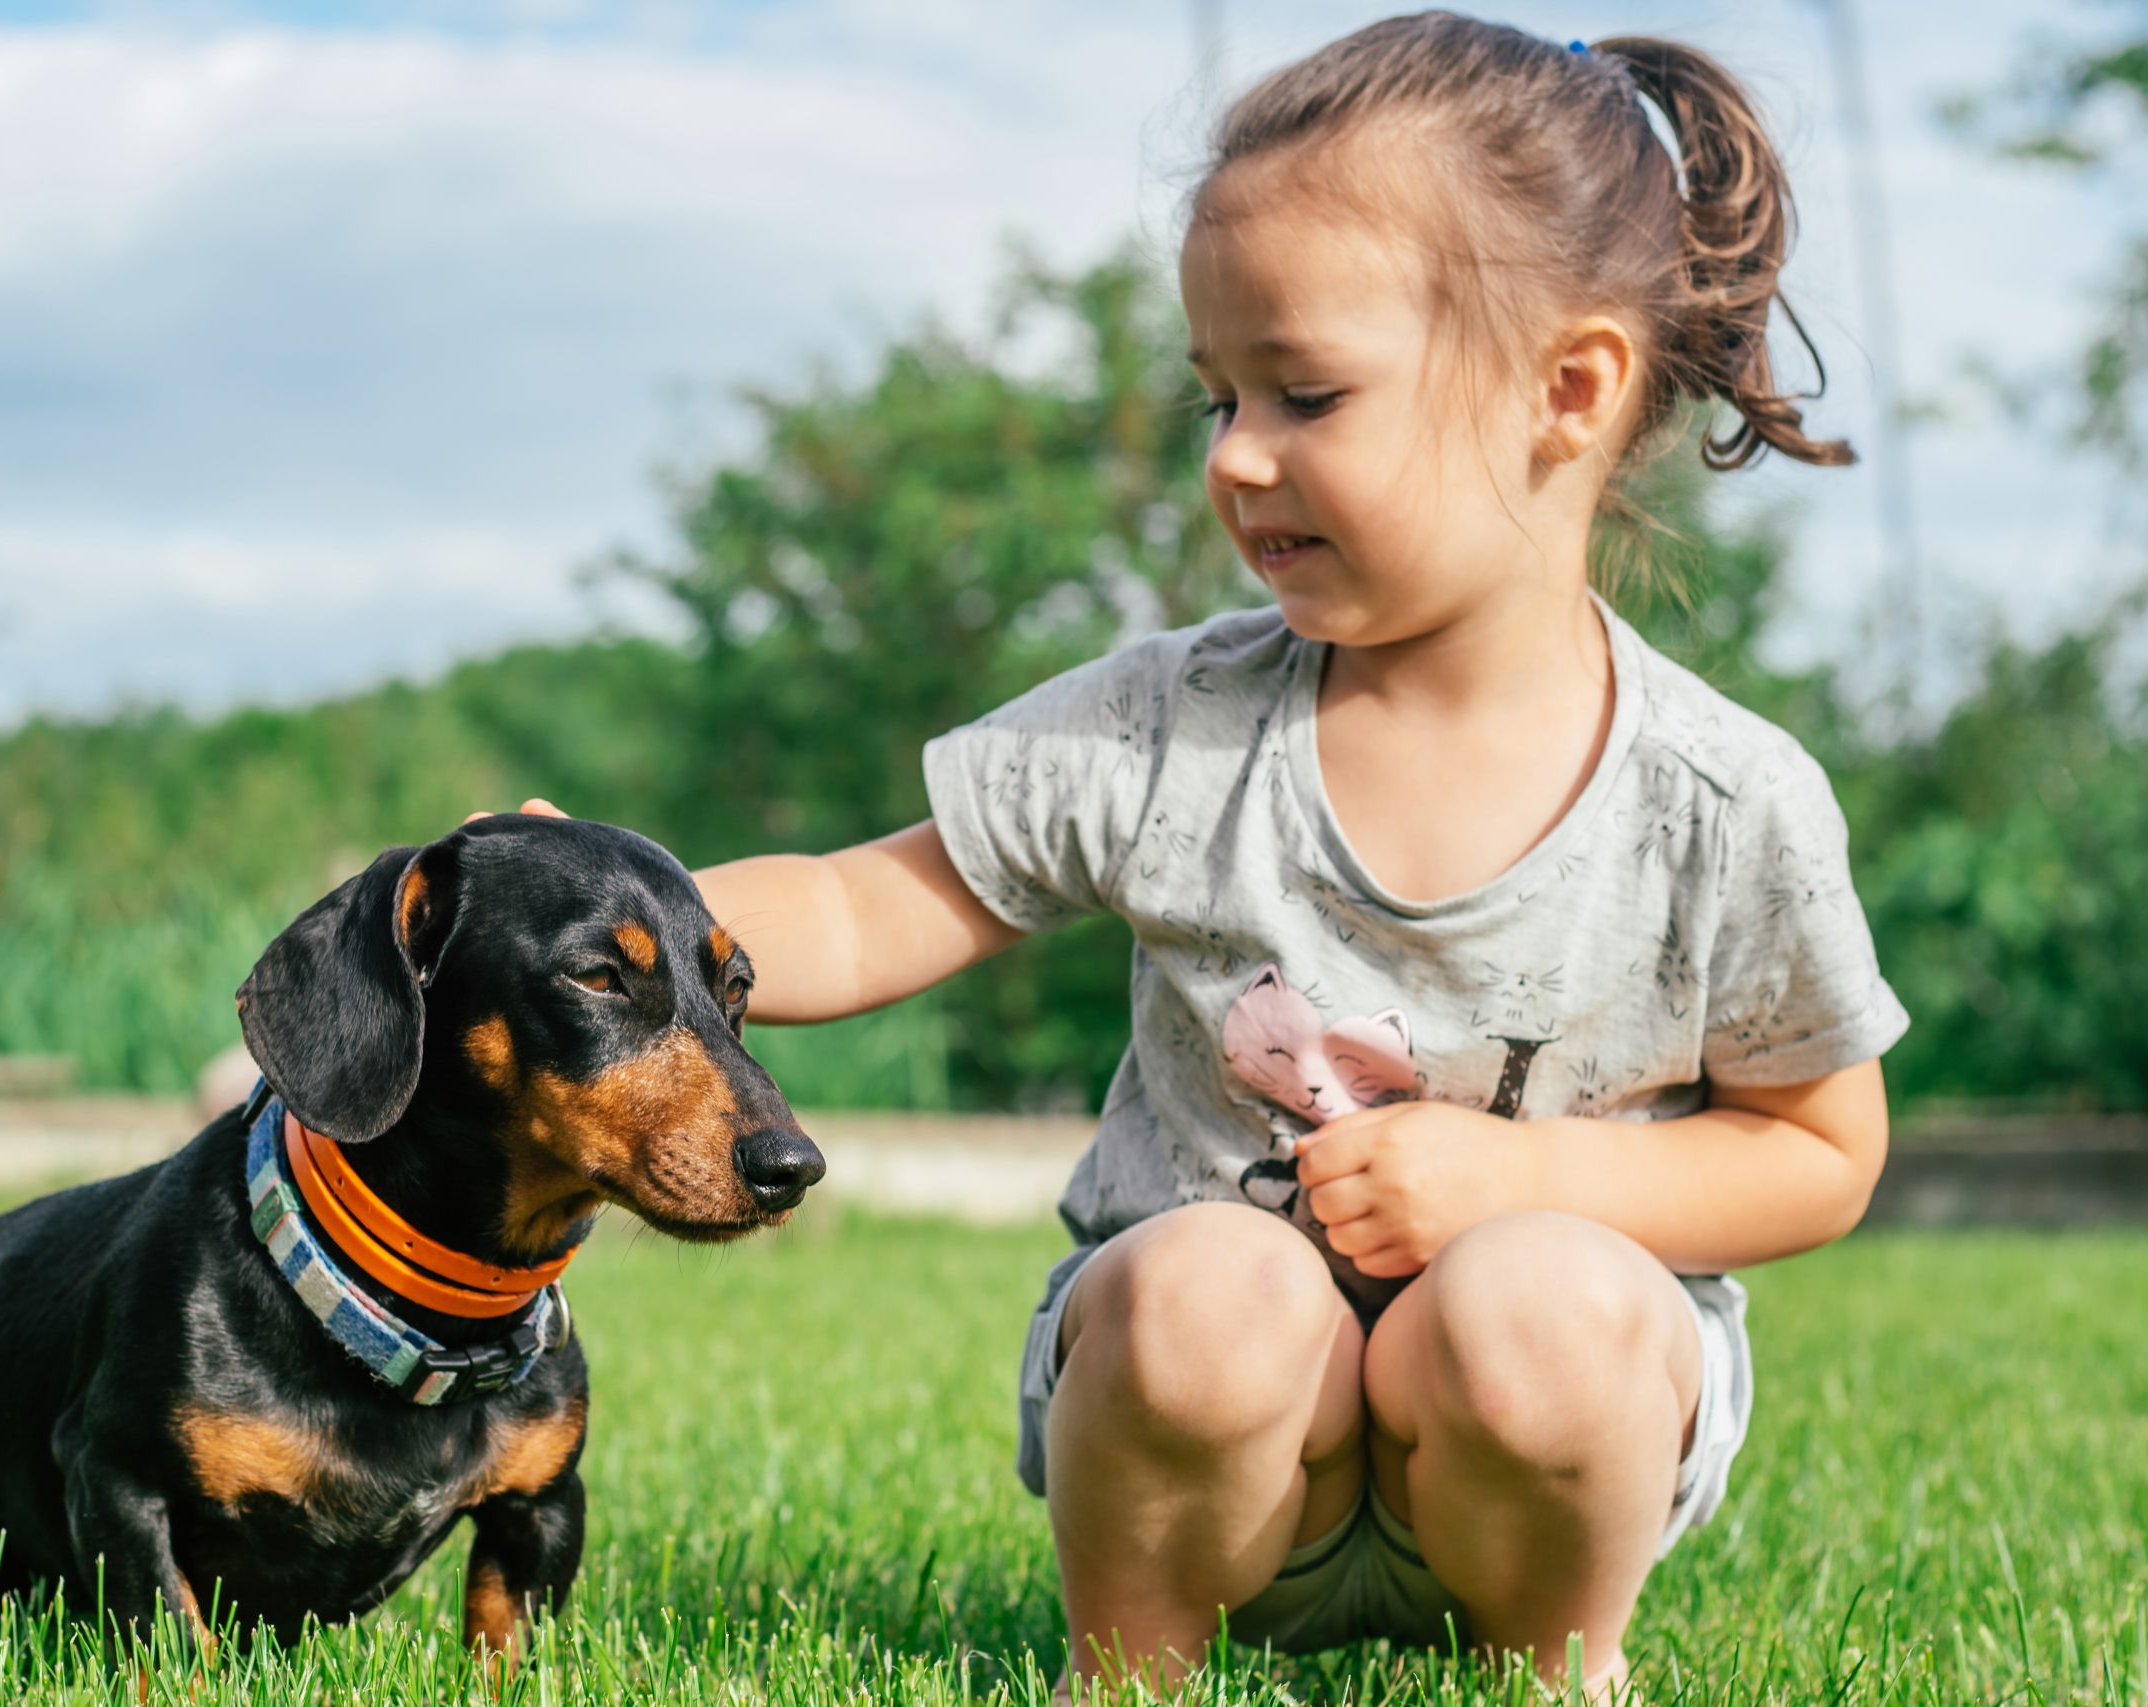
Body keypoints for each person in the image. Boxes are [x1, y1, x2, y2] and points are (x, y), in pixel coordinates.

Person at [495, 12, 1908, 1700]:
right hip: (1211, 1453)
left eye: (1304, 392)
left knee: (1543, 1298)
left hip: (1531, 1474)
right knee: (1206, 1291)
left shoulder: (1719, 802)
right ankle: (1135, 1676)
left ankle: (1557, 1676)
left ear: (1570, 388)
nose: (1234, 454)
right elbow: (877, 897)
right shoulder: (1176, 723)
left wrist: (1529, 1178)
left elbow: (1818, 1149)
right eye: (1219, 394)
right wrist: (613, 908)